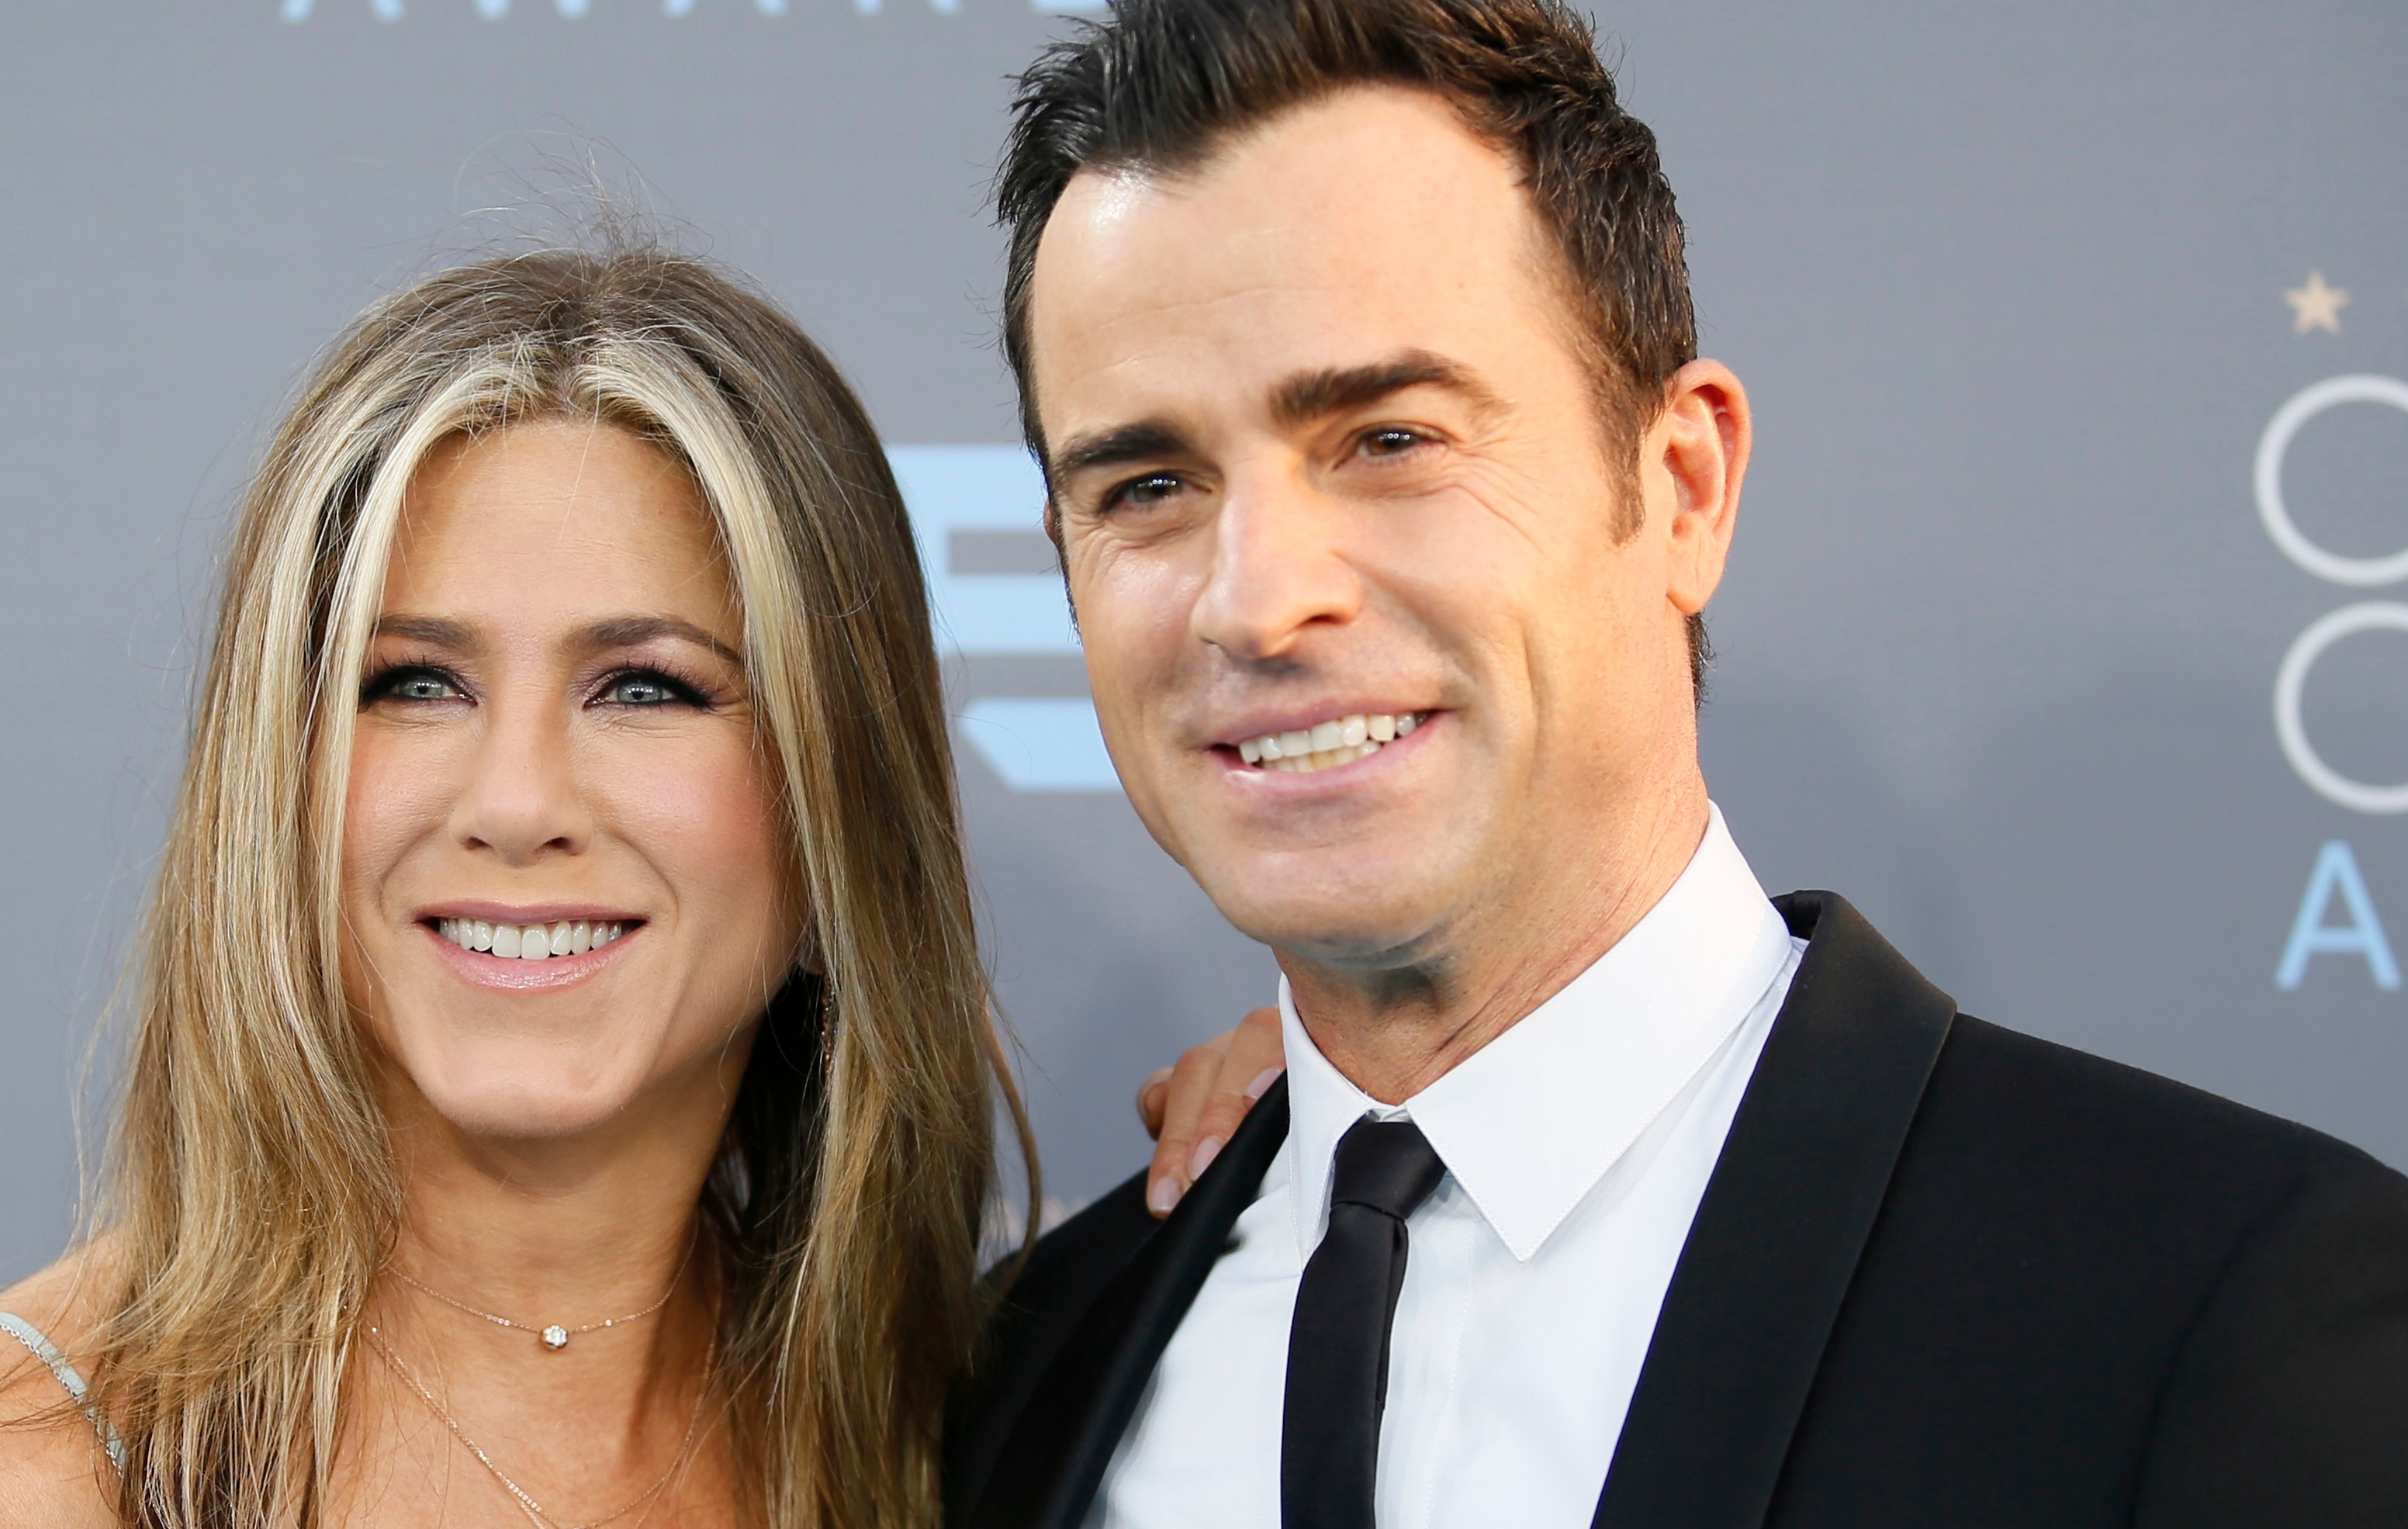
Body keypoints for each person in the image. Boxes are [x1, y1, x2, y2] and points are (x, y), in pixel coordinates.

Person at [946, 3, 2408, 1527]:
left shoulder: (2212, 1310)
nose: (1257, 598)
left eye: (1389, 439)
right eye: (1149, 484)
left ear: (1684, 487)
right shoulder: (1013, 1378)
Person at [0, 245, 1251, 1529]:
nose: (518, 804)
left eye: (646, 688)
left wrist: (1315, 1129)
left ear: (836, 811)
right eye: (414, 684)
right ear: (276, 788)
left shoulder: (983, 1434)